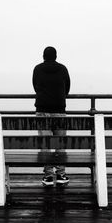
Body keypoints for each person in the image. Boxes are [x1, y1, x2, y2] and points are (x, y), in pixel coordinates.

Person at [32, 46, 71, 186]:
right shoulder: (63, 69)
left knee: (45, 143)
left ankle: (48, 176)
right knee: (60, 143)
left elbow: (35, 86)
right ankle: (60, 174)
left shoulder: (37, 69)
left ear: (43, 56)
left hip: (42, 109)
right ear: (56, 56)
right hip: (59, 109)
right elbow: (67, 87)